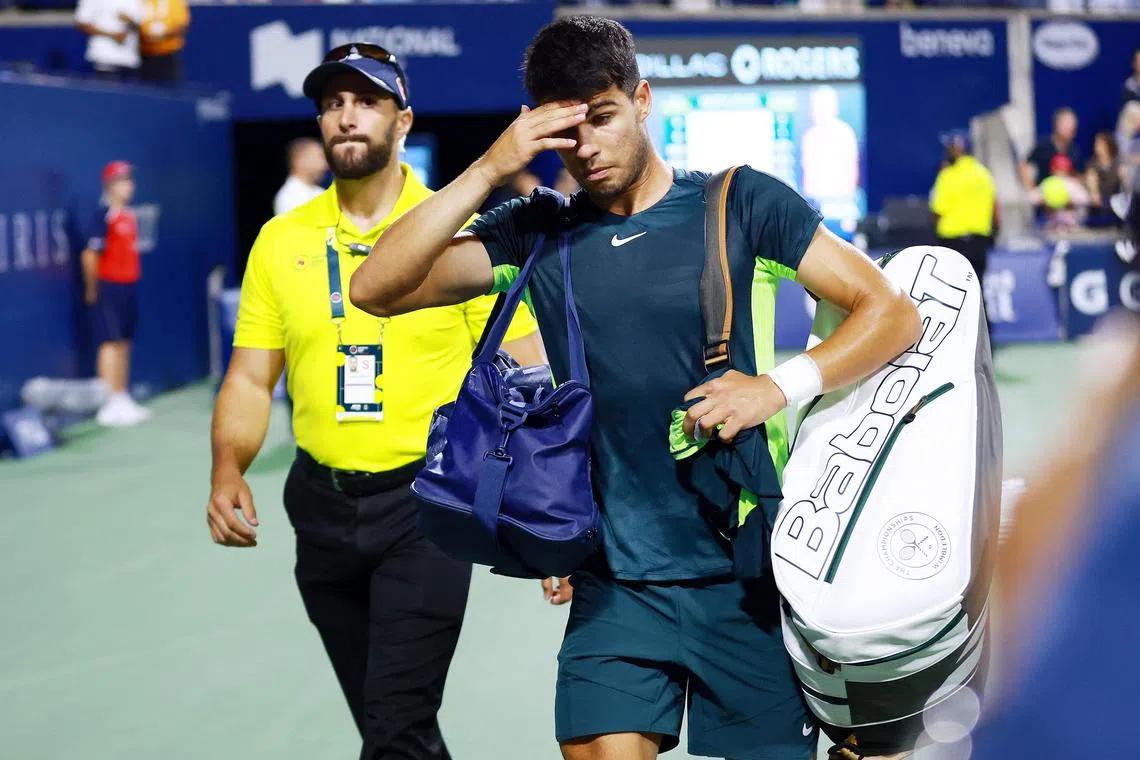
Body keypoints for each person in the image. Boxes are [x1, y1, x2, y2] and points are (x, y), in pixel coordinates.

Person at [349, 16, 922, 760]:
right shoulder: (537, 230)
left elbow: (893, 312)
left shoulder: (740, 202)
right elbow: (376, 288)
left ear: (642, 99)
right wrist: (490, 168)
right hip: (613, 581)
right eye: (566, 130)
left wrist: (775, 388)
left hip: (749, 577)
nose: (586, 146)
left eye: (603, 117)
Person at [206, 43, 546, 760]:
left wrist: (545, 506)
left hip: (425, 507)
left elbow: (527, 365)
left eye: (366, 102)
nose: (347, 117)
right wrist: (228, 466)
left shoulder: (458, 230)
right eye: (332, 103)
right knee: (391, 725)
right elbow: (247, 377)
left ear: (403, 120)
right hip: (319, 507)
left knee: (394, 724)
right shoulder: (281, 241)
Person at [82, 160, 151, 427]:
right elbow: (89, 255)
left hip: (128, 285)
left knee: (124, 341)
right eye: (124, 181)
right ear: (110, 185)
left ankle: (121, 396)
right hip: (108, 286)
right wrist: (92, 288)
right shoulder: (103, 214)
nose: (129, 186)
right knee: (110, 342)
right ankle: (107, 403)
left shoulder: (128, 214)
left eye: (130, 180)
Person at [930, 129, 997, 286]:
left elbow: (937, 211)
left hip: (953, 244)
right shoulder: (984, 174)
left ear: (956, 148)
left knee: (952, 291)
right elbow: (995, 208)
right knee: (977, 289)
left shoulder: (948, 175)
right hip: (979, 242)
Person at [137, 0, 189, 84]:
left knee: (168, 91)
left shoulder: (174, 1)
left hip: (167, 54)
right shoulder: (139, 2)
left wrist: (163, 36)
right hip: (143, 54)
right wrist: (145, 35)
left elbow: (181, 25)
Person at [273, 137, 328, 216]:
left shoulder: (319, 192)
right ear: (299, 161)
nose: (325, 165)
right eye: (319, 157)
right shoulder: (290, 197)